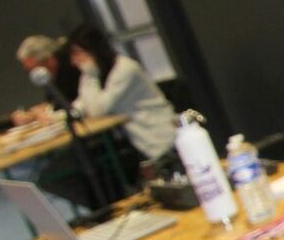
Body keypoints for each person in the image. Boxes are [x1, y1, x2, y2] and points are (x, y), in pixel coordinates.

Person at [65, 24, 176, 161]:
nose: (74, 61)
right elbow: (81, 104)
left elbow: (97, 110)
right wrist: (58, 116)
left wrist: (89, 76)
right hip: (145, 140)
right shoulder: (100, 71)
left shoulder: (124, 68)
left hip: (162, 138)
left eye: (77, 53)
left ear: (93, 50)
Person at [11, 34, 80, 124]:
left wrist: (38, 114)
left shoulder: (73, 68)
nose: (34, 75)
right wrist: (32, 113)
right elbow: (51, 102)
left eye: (35, 69)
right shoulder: (52, 75)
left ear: (50, 60)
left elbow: (69, 105)